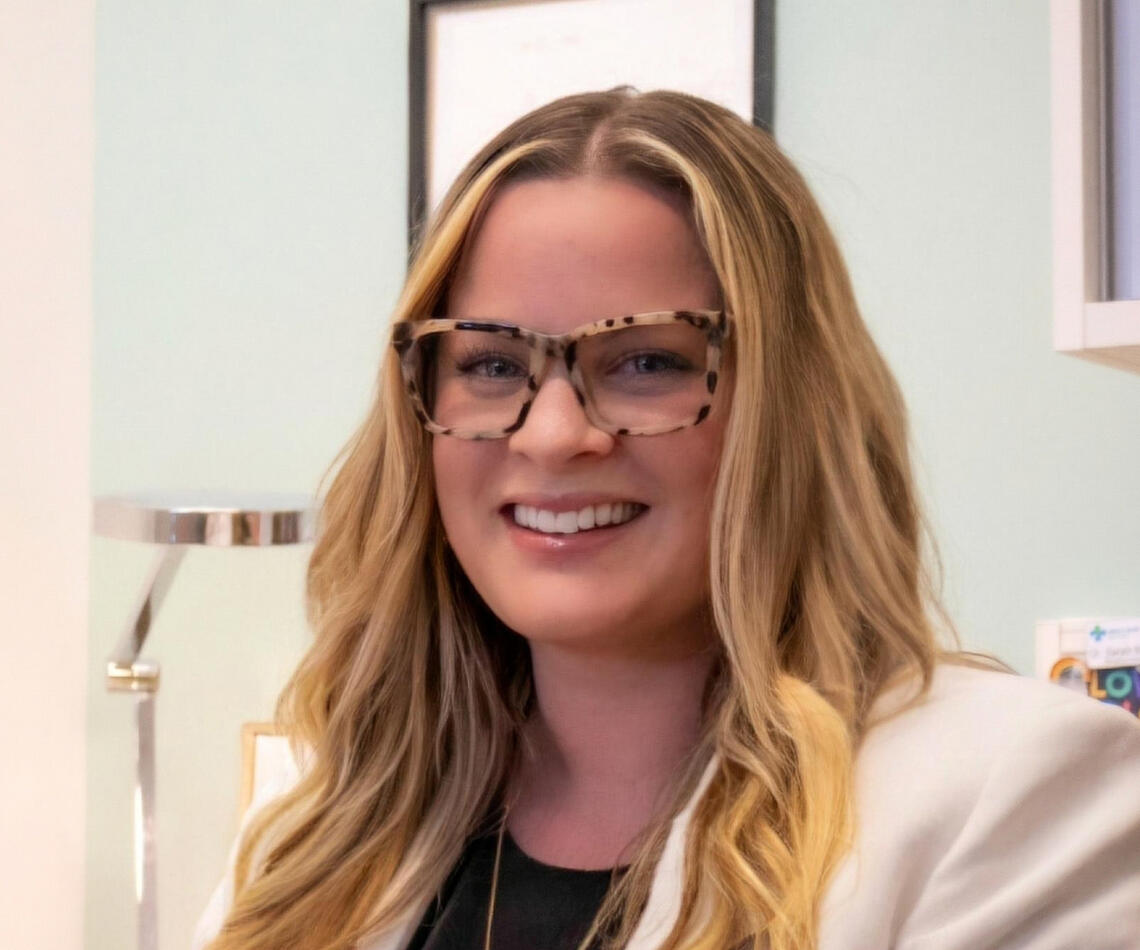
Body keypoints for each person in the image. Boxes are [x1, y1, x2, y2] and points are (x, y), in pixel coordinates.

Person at [193, 88, 1140, 950]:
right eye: (489, 365)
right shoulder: (315, 822)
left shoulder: (1016, 793)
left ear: (792, 407)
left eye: (647, 362)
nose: (555, 435)